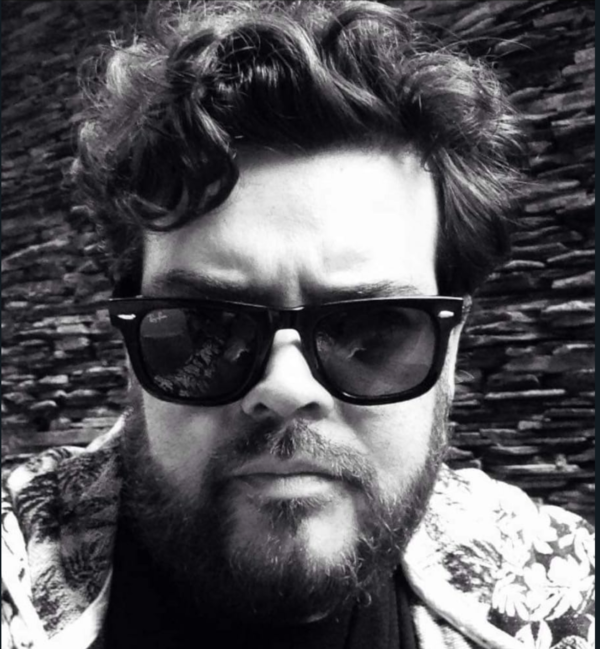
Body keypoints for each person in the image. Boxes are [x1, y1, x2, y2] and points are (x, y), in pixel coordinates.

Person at [1, 1, 594, 648]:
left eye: (373, 331)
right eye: (205, 327)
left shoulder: (561, 588)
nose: (286, 388)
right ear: (129, 341)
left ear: (452, 345)